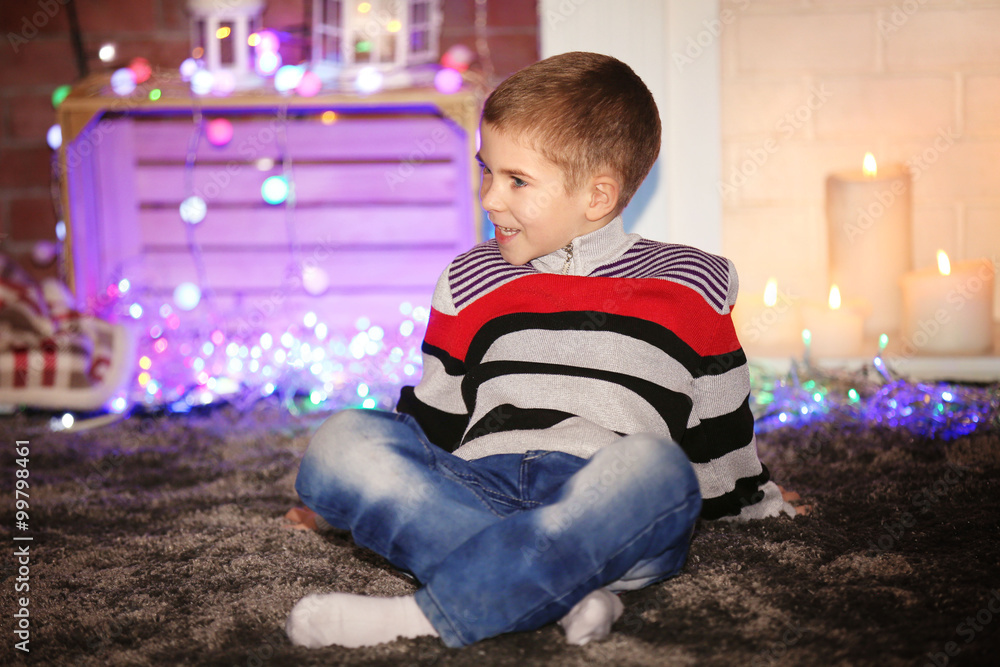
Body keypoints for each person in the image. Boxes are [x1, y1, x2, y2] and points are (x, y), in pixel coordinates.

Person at [283, 51, 804, 650]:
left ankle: (424, 618)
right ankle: (565, 589)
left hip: (608, 504)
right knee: (339, 444)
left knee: (661, 469)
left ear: (598, 196)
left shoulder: (692, 279)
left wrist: (756, 501)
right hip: (478, 488)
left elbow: (720, 424)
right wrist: (358, 495)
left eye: (517, 181)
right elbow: (434, 415)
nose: (489, 199)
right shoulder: (469, 277)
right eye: (487, 171)